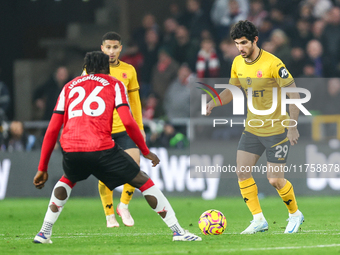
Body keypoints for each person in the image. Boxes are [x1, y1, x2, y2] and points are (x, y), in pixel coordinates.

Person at [32, 51, 201, 244]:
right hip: (100, 146)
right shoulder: (115, 84)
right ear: (106, 68)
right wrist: (145, 151)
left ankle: (44, 232)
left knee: (68, 180)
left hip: (70, 147)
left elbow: (52, 129)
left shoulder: (68, 86)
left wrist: (42, 168)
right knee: (142, 180)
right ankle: (178, 231)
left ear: (86, 68)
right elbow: (129, 123)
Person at [206, 20, 304, 234]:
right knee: (242, 172)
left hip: (277, 129)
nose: (240, 48)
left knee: (275, 180)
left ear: (255, 40)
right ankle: (259, 219)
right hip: (252, 128)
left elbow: (294, 93)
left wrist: (292, 125)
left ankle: (295, 214)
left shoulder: (273, 64)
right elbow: (232, 90)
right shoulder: (237, 63)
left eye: (243, 43)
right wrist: (213, 102)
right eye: (236, 43)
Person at [86, 32, 145, 228]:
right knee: (105, 173)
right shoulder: (90, 69)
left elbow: (134, 102)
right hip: (101, 129)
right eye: (108, 48)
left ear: (121, 48)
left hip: (124, 128)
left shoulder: (129, 70)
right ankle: (109, 215)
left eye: (115, 47)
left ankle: (124, 206)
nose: (111, 51)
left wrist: (140, 127)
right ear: (102, 48)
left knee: (134, 167)